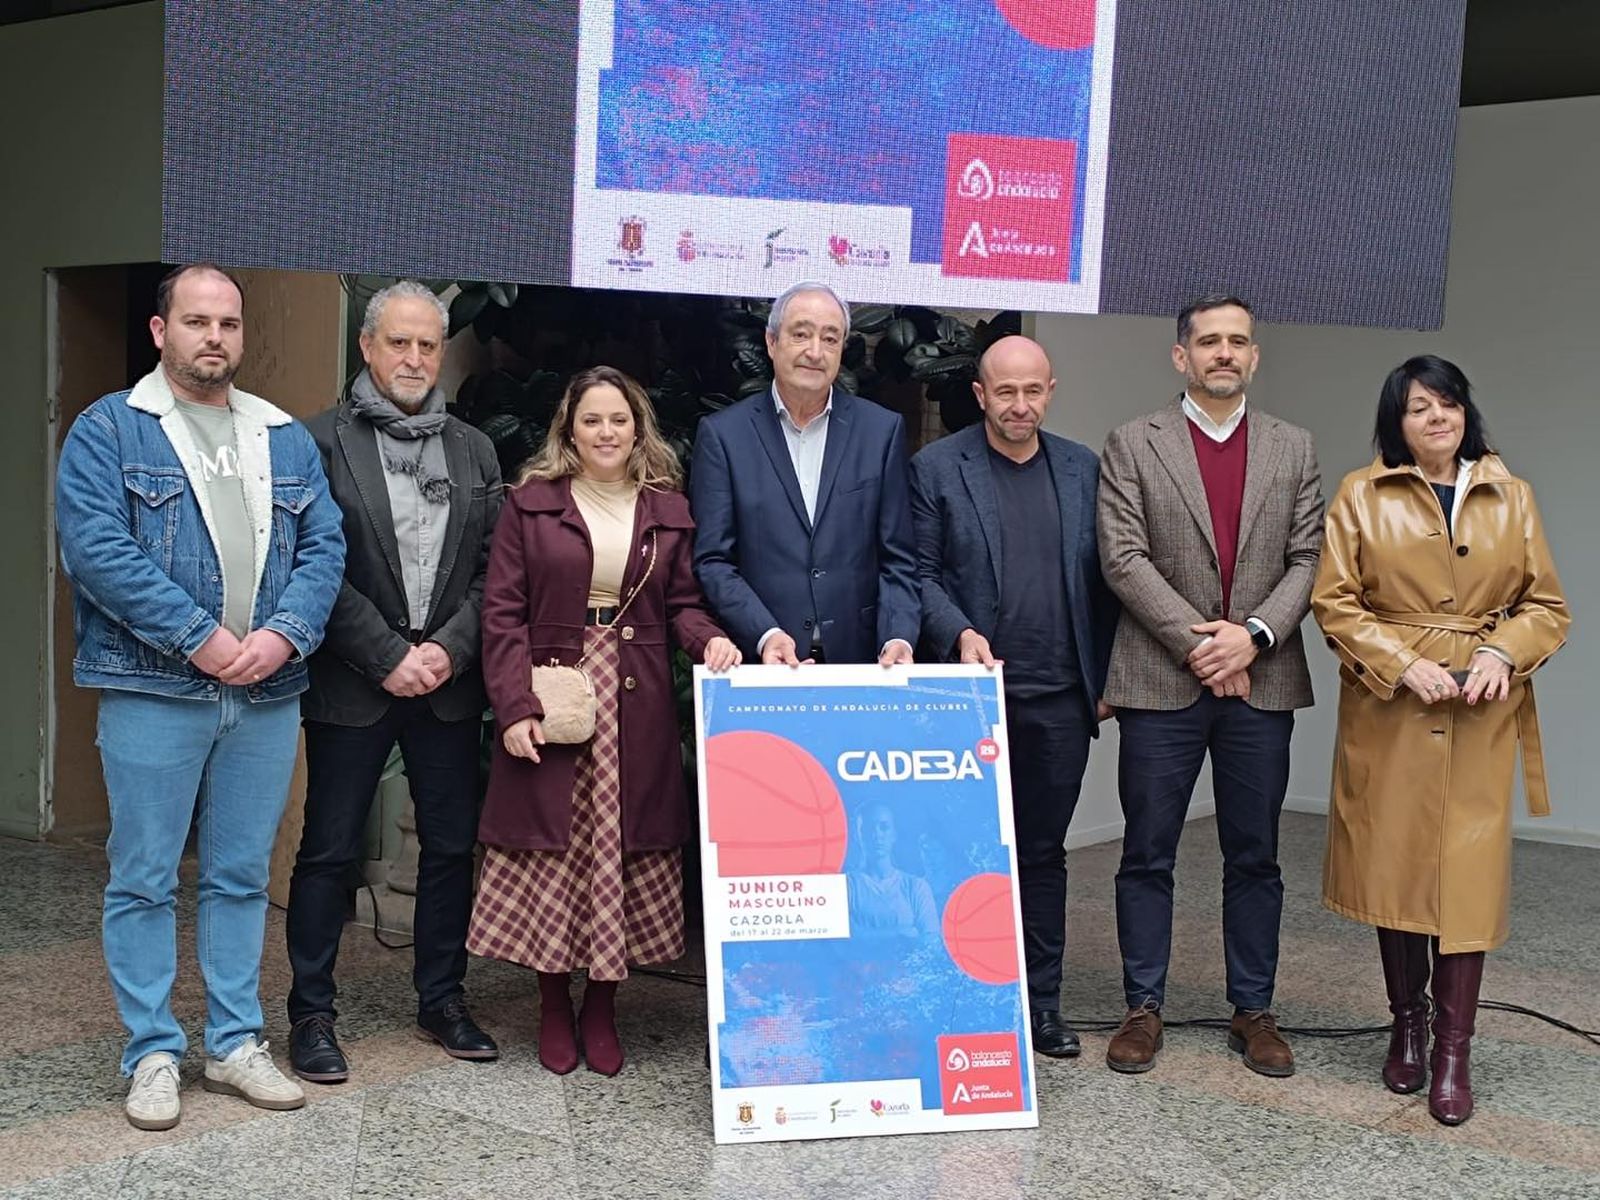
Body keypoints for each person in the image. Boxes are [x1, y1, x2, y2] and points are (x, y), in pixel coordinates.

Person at [54, 263, 345, 1130]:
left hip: (266, 693)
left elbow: (325, 547)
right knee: (144, 877)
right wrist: (200, 637)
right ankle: (151, 1052)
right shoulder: (110, 429)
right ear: (160, 331)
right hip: (154, 689)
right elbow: (98, 550)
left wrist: (283, 634)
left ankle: (233, 1043)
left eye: (228, 323)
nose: (213, 336)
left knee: (241, 876)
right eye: (196, 321)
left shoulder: (281, 435)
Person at [1311, 355, 1568, 1126]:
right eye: (1419, 406)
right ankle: (1408, 1027)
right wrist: (1402, 664)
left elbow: (1546, 606)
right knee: (1396, 869)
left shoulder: (1511, 495)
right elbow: (1335, 601)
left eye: (1448, 404)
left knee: (1467, 880)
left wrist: (1501, 653)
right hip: (1391, 710)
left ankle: (1454, 1053)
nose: (1436, 417)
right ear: (1396, 420)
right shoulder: (1361, 494)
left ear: (1465, 413)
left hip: (1481, 711)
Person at [469, 366, 740, 1076]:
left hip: (635, 697)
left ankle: (601, 1006)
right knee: (558, 849)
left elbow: (682, 605)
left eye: (619, 419)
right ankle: (553, 1003)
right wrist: (514, 707)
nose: (607, 432)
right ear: (570, 429)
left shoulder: (667, 509)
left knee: (620, 846)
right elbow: (502, 613)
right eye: (592, 419)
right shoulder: (530, 505)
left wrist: (708, 640)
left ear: (638, 427)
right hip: (554, 687)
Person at [1097, 295, 1323, 1077]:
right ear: (1181, 356)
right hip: (1161, 678)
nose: (1223, 353)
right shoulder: (1133, 441)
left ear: (1254, 356)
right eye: (1208, 342)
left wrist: (1251, 637)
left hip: (1262, 679)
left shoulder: (1294, 447)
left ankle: (1253, 1009)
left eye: (1237, 342)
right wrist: (1205, 646)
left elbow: (1309, 559)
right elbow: (1122, 557)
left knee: (1255, 854)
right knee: (1146, 851)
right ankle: (1142, 1006)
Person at [285, 281, 505, 1083]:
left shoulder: (475, 449)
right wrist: (386, 653)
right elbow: (311, 566)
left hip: (447, 682)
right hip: (353, 679)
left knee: (449, 847)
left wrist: (448, 650)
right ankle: (311, 1014)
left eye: (427, 345)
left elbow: (494, 569)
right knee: (328, 849)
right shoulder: (315, 442)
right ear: (367, 347)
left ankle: (442, 998)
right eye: (399, 343)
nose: (414, 358)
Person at [908, 335, 1118, 1058]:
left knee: (1042, 856)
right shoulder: (938, 467)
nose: (1019, 405)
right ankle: (961, 1000)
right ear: (980, 394)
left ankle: (1041, 1007)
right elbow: (920, 574)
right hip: (969, 697)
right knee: (961, 857)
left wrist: (1105, 677)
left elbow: (1109, 580)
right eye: (1005, 392)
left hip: (1061, 700)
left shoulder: (1083, 468)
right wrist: (960, 631)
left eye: (1032, 391)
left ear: (1050, 391)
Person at [690, 281, 918, 666]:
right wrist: (765, 633)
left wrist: (898, 636)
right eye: (801, 335)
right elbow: (713, 561)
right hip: (765, 661)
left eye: (830, 339)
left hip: (861, 661)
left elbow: (898, 559)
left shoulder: (881, 432)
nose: (815, 351)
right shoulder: (723, 436)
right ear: (771, 342)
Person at [846, 803, 939, 940]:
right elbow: (843, 943)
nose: (877, 835)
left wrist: (866, 935)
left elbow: (932, 941)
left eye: (884, 827)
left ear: (894, 834)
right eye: (868, 828)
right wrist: (901, 933)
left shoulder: (917, 887)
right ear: (857, 835)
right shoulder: (843, 887)